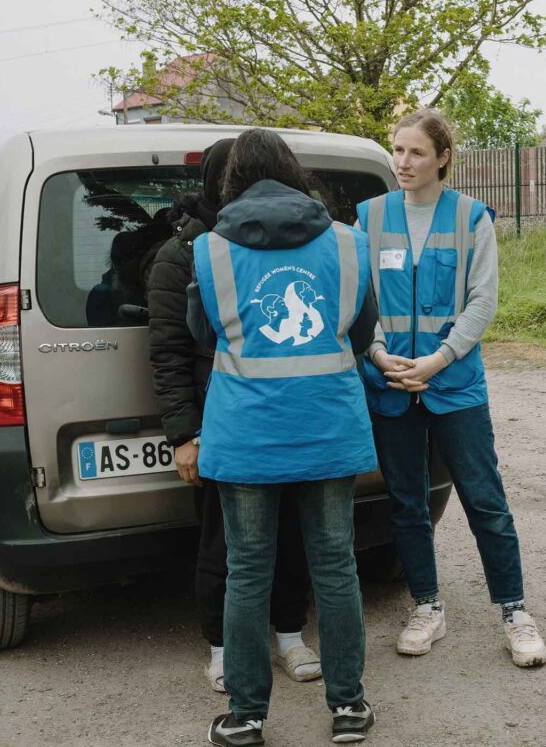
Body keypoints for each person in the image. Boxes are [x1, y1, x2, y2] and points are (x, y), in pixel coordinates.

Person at [186, 129, 378, 745]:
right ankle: (349, 707)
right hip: (326, 425)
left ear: (232, 179)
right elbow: (360, 329)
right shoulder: (349, 244)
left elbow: (203, 333)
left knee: (247, 570)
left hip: (246, 431)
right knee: (335, 566)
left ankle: (245, 717)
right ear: (295, 173)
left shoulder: (211, 250)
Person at [355, 108, 546, 668]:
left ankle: (514, 610)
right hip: (390, 380)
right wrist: (378, 352)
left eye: (415, 152)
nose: (403, 162)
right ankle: (427, 605)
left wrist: (437, 360)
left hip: (454, 383)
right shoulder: (367, 217)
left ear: (443, 158)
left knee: (485, 501)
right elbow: (360, 300)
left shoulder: (471, 218)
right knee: (407, 504)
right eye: (397, 150)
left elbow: (481, 302)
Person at [147, 138, 321, 695]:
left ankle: (290, 634)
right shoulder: (186, 254)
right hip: (221, 420)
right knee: (224, 544)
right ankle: (222, 649)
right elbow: (171, 352)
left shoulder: (275, 244)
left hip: (285, 418)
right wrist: (185, 434)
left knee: (291, 535)